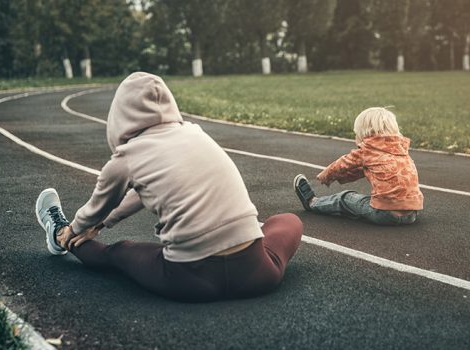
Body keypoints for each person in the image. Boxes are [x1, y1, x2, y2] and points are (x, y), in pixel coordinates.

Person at [36, 72, 303, 302]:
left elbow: (98, 206)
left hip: (189, 280)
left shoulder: (127, 157)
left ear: (119, 116)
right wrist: (105, 222)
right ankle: (240, 235)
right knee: (288, 220)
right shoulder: (195, 133)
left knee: (117, 253)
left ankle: (60, 235)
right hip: (256, 273)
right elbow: (140, 194)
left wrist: (78, 227)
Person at [293, 107, 423, 225]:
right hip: (412, 214)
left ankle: (312, 203)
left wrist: (327, 175)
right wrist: (343, 178)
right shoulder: (400, 150)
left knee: (346, 198)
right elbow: (363, 170)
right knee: (367, 200)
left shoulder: (368, 150)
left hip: (385, 214)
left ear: (365, 133)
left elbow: (343, 164)